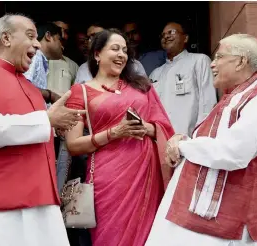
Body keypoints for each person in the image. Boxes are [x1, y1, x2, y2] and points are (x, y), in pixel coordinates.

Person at [0, 14, 85, 246]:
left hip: (42, 207)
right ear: (6, 38)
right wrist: (46, 120)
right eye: (30, 36)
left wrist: (59, 124)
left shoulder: (34, 91)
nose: (37, 44)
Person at [145, 34, 257, 246]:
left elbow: (233, 152)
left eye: (219, 57)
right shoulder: (231, 99)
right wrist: (184, 141)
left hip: (220, 220)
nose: (212, 64)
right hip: (192, 214)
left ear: (240, 61)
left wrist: (183, 146)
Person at [65, 28, 175, 246]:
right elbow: (73, 145)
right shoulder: (81, 92)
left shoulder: (142, 86)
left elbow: (164, 127)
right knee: (110, 236)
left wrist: (147, 128)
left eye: (125, 50)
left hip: (145, 173)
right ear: (97, 54)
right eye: (114, 49)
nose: (121, 55)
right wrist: (114, 132)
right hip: (107, 176)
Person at [150, 21, 217, 137]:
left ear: (185, 38)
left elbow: (208, 102)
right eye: (163, 35)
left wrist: (201, 137)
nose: (166, 36)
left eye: (172, 32)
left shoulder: (200, 61)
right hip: (161, 142)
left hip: (190, 140)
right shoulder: (155, 74)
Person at [75, 23, 146, 84]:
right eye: (88, 37)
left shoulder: (135, 66)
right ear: (97, 55)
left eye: (95, 36)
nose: (90, 41)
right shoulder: (83, 68)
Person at [48, 20, 79, 96]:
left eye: (66, 32)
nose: (62, 35)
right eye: (58, 30)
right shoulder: (34, 59)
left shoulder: (73, 66)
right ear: (48, 34)